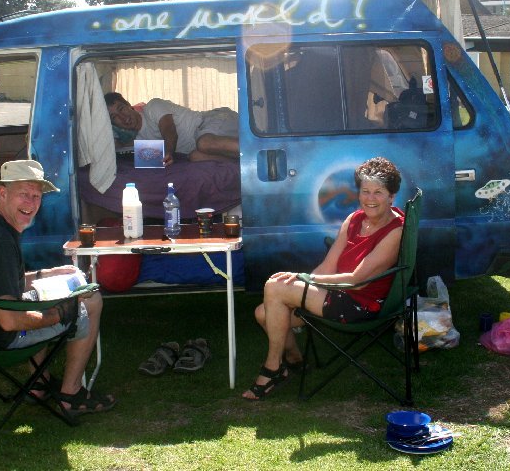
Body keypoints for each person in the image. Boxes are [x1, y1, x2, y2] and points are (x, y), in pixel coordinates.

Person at [242, 157, 405, 400]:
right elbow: (329, 265)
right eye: (365, 191)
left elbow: (356, 280)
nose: (370, 198)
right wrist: (304, 280)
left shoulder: (395, 230)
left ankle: (273, 369)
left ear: (391, 196)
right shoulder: (354, 219)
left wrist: (304, 280)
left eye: (378, 192)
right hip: (340, 292)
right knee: (263, 313)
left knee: (274, 287)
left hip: (360, 304)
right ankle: (294, 359)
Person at [0, 159, 116, 415]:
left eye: (36, 196)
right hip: (2, 335)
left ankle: (39, 382)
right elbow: (9, 321)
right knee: (90, 300)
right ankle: (70, 394)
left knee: (47, 291)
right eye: (23, 194)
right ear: (2, 193)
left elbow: (2, 283)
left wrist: (46, 274)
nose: (31, 203)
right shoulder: (0, 245)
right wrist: (58, 313)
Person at [105, 92, 239, 165]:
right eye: (114, 117)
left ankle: (252, 150)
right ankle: (243, 161)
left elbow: (169, 129)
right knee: (195, 157)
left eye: (121, 109)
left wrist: (169, 151)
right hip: (203, 144)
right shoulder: (140, 140)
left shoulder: (153, 106)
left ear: (129, 105)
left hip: (214, 119)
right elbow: (122, 150)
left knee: (204, 143)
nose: (122, 117)